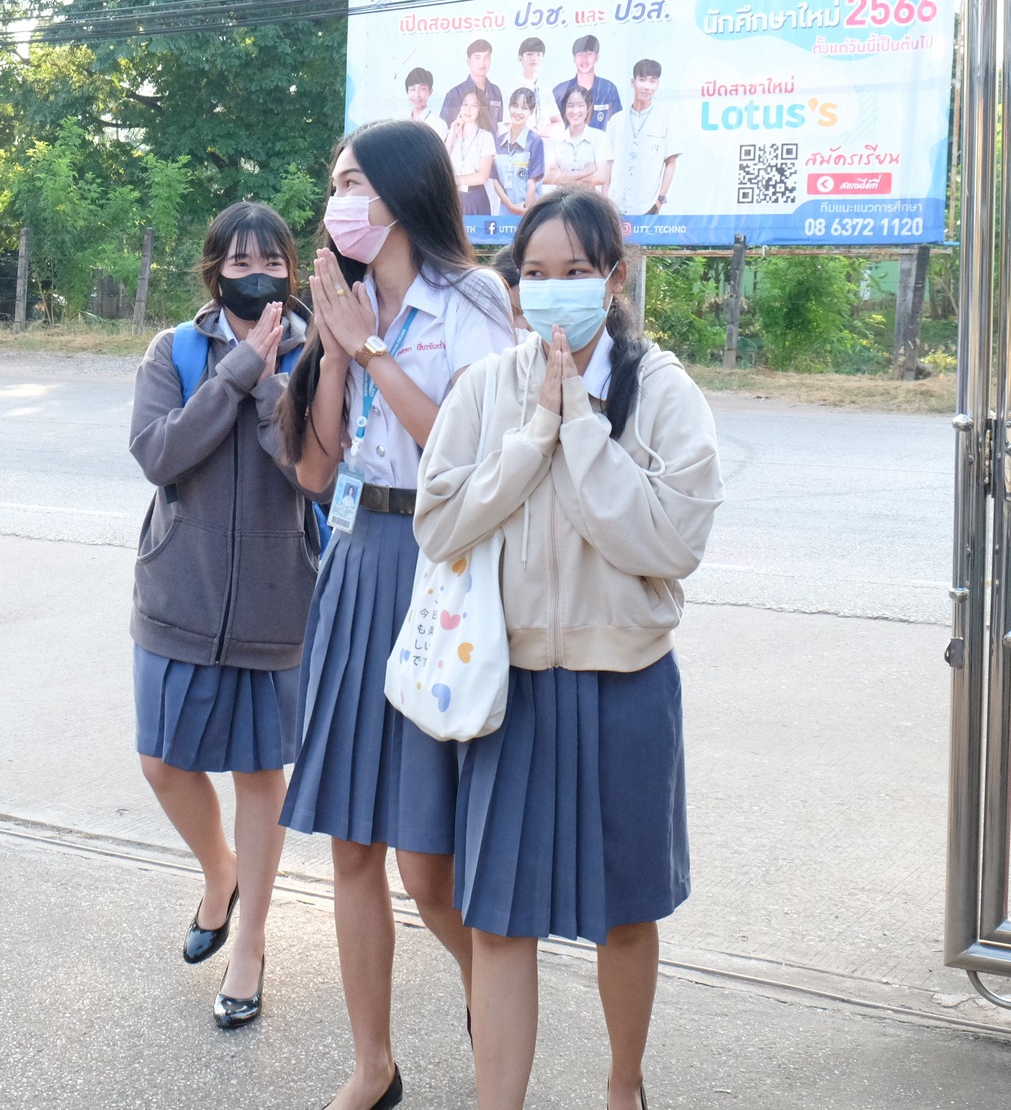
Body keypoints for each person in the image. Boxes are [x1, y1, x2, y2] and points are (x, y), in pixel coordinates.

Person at [414, 189, 722, 1110]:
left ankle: (624, 1087)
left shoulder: (662, 390)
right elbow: (440, 521)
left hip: (624, 684)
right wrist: (533, 433)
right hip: (508, 690)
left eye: (577, 274)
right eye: (536, 275)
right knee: (499, 920)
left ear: (613, 278)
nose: (554, 293)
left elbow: (669, 542)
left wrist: (581, 426)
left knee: (624, 915)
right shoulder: (485, 389)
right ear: (514, 287)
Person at [279, 118, 516, 1110]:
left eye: (353, 182)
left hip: (441, 562)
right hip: (357, 558)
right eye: (332, 183)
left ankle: (493, 999)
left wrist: (368, 351)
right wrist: (330, 356)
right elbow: (314, 466)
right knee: (350, 845)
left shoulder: (472, 301)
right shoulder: (336, 301)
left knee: (425, 863)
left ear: (402, 190)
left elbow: (462, 454)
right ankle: (371, 1064)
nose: (339, 201)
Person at [127, 201, 319, 1032]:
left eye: (271, 260)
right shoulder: (173, 349)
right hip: (179, 593)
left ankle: (250, 945)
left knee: (257, 778)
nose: (256, 273)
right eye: (240, 260)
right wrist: (235, 370)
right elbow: (159, 452)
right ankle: (219, 871)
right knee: (162, 762)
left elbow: (314, 470)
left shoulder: (321, 351)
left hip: (278, 602)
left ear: (292, 270)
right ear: (214, 270)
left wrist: (274, 375)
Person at [609, 60, 681, 215]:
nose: (647, 86)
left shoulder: (665, 119)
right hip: (615, 205)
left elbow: (671, 163)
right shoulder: (617, 120)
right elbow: (607, 163)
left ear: (657, 84)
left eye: (652, 81)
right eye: (642, 80)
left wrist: (659, 201)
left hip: (647, 207)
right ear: (633, 82)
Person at [543, 86, 612, 198]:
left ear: (588, 108)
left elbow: (601, 176)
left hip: (591, 202)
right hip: (561, 203)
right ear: (564, 108)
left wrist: (563, 177)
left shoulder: (600, 137)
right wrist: (585, 172)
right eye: (570, 105)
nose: (575, 111)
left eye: (580, 105)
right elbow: (546, 177)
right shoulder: (554, 140)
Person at [489, 89, 547, 219]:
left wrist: (524, 210)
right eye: (515, 106)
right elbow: (496, 181)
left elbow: (532, 182)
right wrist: (510, 206)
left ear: (531, 112)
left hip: (528, 211)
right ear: (509, 107)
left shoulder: (535, 141)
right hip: (505, 211)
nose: (518, 112)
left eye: (524, 108)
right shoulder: (499, 141)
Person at [444, 85, 499, 218]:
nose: (468, 109)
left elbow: (482, 176)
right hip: (452, 198)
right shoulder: (451, 134)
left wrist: (452, 180)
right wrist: (451, 135)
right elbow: (442, 163)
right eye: (464, 104)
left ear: (480, 109)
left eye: (474, 105)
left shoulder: (486, 137)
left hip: (475, 198)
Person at [551, 35, 623, 132]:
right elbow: (551, 128)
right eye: (580, 54)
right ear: (574, 58)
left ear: (597, 57)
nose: (584, 59)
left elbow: (618, 127)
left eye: (589, 54)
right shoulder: (560, 91)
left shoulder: (608, 89)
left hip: (602, 146)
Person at [439, 39, 503, 127]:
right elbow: (444, 129)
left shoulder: (495, 91)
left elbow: (498, 126)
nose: (482, 62)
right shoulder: (454, 94)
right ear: (468, 61)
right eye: (477, 57)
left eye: (486, 57)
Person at [511, 38, 564, 139]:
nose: (534, 58)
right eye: (530, 54)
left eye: (538, 54)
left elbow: (560, 125)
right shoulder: (513, 88)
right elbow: (511, 127)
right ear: (520, 58)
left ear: (543, 58)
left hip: (546, 147)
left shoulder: (545, 89)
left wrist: (537, 131)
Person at [403, 67, 449, 140]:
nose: (417, 95)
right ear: (407, 92)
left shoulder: (439, 125)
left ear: (430, 91)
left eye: (422, 89)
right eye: (413, 89)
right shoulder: (401, 122)